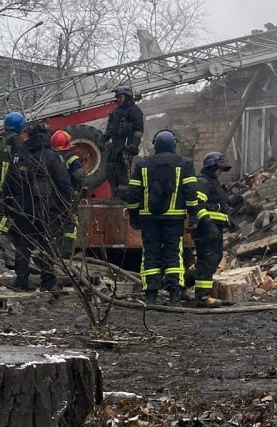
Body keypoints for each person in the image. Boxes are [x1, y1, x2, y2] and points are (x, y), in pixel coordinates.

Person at [124, 130, 197, 304]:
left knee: (150, 254)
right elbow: (191, 192)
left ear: (155, 145)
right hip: (175, 219)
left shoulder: (142, 165)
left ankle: (150, 296)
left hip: (149, 219)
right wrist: (193, 216)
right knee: (174, 254)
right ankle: (175, 295)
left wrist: (134, 216)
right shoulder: (185, 164)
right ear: (174, 145)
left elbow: (133, 194)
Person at [4, 122, 72, 291]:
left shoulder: (19, 156)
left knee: (23, 245)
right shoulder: (51, 156)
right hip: (46, 209)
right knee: (47, 245)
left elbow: (8, 185)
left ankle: (21, 282)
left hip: (23, 210)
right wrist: (64, 209)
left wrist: (10, 207)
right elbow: (64, 184)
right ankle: (48, 283)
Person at [191, 151, 241, 307]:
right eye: (219, 169)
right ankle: (202, 297)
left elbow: (217, 203)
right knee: (208, 260)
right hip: (205, 228)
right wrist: (207, 223)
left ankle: (183, 285)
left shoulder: (213, 182)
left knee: (210, 260)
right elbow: (197, 205)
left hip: (214, 227)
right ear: (211, 167)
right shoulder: (202, 182)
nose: (220, 173)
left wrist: (232, 202)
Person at [0, 111, 27, 234]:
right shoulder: (16, 141)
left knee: (0, 208)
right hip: (7, 181)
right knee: (6, 210)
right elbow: (20, 161)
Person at [102, 86, 144, 193]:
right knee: (110, 169)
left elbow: (138, 130)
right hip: (114, 146)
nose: (119, 100)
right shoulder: (115, 112)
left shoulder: (135, 111)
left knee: (122, 170)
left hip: (126, 145)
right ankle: (114, 194)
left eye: (121, 97)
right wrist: (103, 139)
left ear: (128, 97)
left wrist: (134, 144)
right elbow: (109, 129)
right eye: (117, 98)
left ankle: (125, 196)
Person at [51, 130, 86, 255]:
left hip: (53, 196)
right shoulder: (72, 159)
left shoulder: (51, 157)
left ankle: (54, 251)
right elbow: (80, 177)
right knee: (70, 224)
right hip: (70, 195)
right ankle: (66, 252)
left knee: (55, 223)